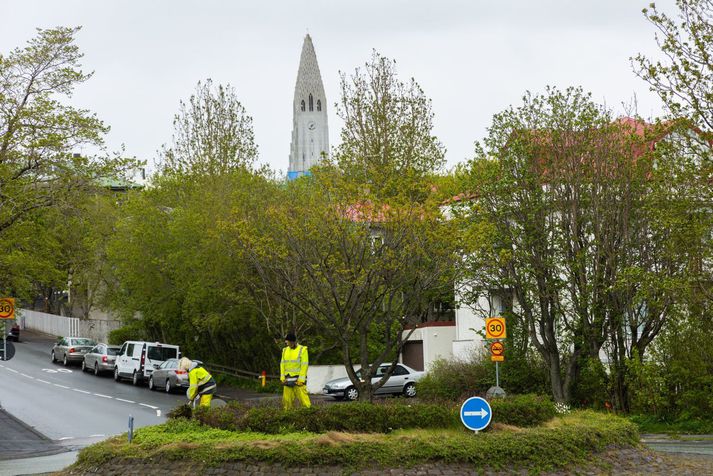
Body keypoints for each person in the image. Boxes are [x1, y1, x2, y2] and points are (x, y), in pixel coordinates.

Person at [280, 333, 311, 409]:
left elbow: (304, 365)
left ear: (292, 342)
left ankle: (309, 414)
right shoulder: (284, 350)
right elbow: (282, 365)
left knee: (304, 401)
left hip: (298, 381)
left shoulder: (302, 349)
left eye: (287, 341)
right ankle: (287, 417)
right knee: (287, 402)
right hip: (287, 380)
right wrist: (282, 378)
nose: (286, 343)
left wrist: (301, 379)